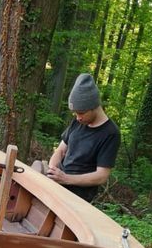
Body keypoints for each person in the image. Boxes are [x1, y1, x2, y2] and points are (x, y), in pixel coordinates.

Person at [46, 73, 120, 202]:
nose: (78, 118)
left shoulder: (111, 133)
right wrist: (53, 169)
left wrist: (66, 179)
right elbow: (61, 150)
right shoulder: (78, 122)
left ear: (94, 107)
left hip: (78, 197)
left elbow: (101, 176)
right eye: (75, 113)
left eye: (81, 113)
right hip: (57, 185)